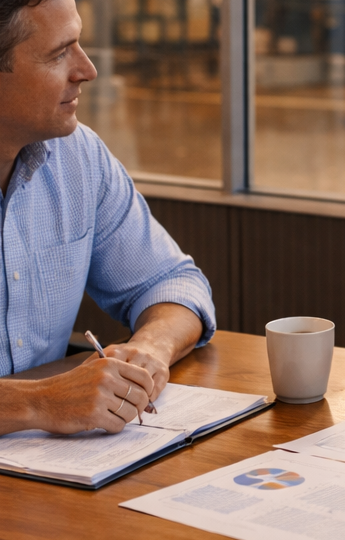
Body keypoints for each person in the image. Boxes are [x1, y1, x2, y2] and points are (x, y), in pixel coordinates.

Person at [0, 0, 215, 435]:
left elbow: (172, 283)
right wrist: (37, 403)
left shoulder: (77, 157)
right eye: (59, 53)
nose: (87, 69)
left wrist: (150, 348)